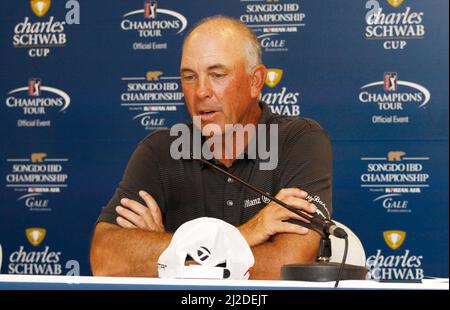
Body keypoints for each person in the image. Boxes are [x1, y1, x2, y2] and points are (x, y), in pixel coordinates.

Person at [90, 16, 332, 280]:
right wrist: (246, 233)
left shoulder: (298, 140)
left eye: (217, 75)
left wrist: (169, 252)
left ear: (255, 81)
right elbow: (105, 258)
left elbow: (289, 265)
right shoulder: (159, 150)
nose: (200, 91)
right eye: (189, 76)